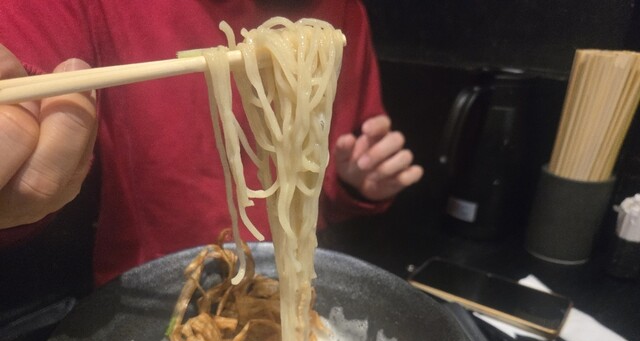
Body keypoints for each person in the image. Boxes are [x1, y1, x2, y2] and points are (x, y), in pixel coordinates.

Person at [0, 0, 423, 287]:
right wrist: (19, 167)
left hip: (297, 274)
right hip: (154, 285)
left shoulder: (342, 15)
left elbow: (326, 170)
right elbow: (22, 70)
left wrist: (354, 184)